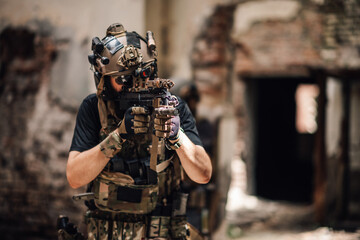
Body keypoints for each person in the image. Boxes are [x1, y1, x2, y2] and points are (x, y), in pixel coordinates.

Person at [66, 23, 212, 240]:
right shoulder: (94, 108)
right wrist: (117, 136)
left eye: (136, 77)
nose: (129, 86)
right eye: (121, 80)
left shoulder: (173, 106)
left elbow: (203, 174)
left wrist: (177, 136)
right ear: (104, 79)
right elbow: (75, 177)